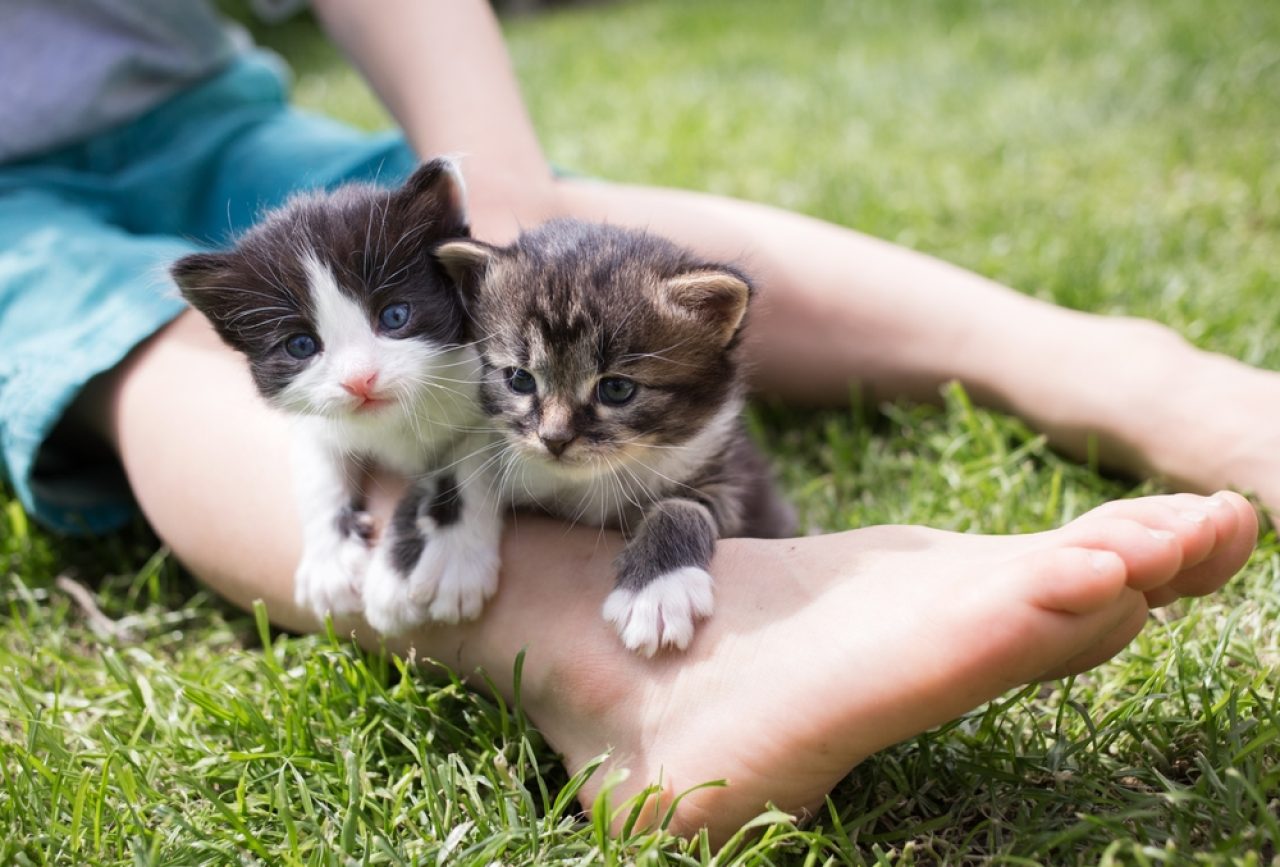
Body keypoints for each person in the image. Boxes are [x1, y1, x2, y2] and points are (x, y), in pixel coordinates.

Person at [0, 0, 1264, 842]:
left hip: (201, 105)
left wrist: (505, 198)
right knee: (139, 339)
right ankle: (607, 665)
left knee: (570, 236)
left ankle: (1124, 372)